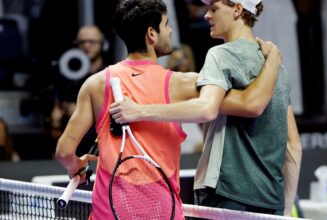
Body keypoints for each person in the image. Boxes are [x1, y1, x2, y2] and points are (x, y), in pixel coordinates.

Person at [56, 0, 280, 219]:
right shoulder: (183, 84)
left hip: (109, 210)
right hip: (162, 210)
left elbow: (64, 151)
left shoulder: (95, 84)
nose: (171, 31)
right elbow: (251, 104)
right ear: (152, 34)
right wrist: (273, 62)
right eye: (166, 24)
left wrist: (75, 165)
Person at [109, 0, 301, 216]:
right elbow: (293, 146)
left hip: (225, 193)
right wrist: (285, 206)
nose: (206, 15)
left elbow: (206, 108)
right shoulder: (277, 68)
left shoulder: (220, 55)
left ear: (237, 9)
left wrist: (139, 111)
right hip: (271, 201)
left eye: (214, 9)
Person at [51, 25, 105, 155]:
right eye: (82, 42)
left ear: (103, 44)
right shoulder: (66, 74)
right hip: (71, 145)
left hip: (98, 144)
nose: (86, 46)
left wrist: (80, 111)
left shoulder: (109, 73)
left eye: (92, 42)